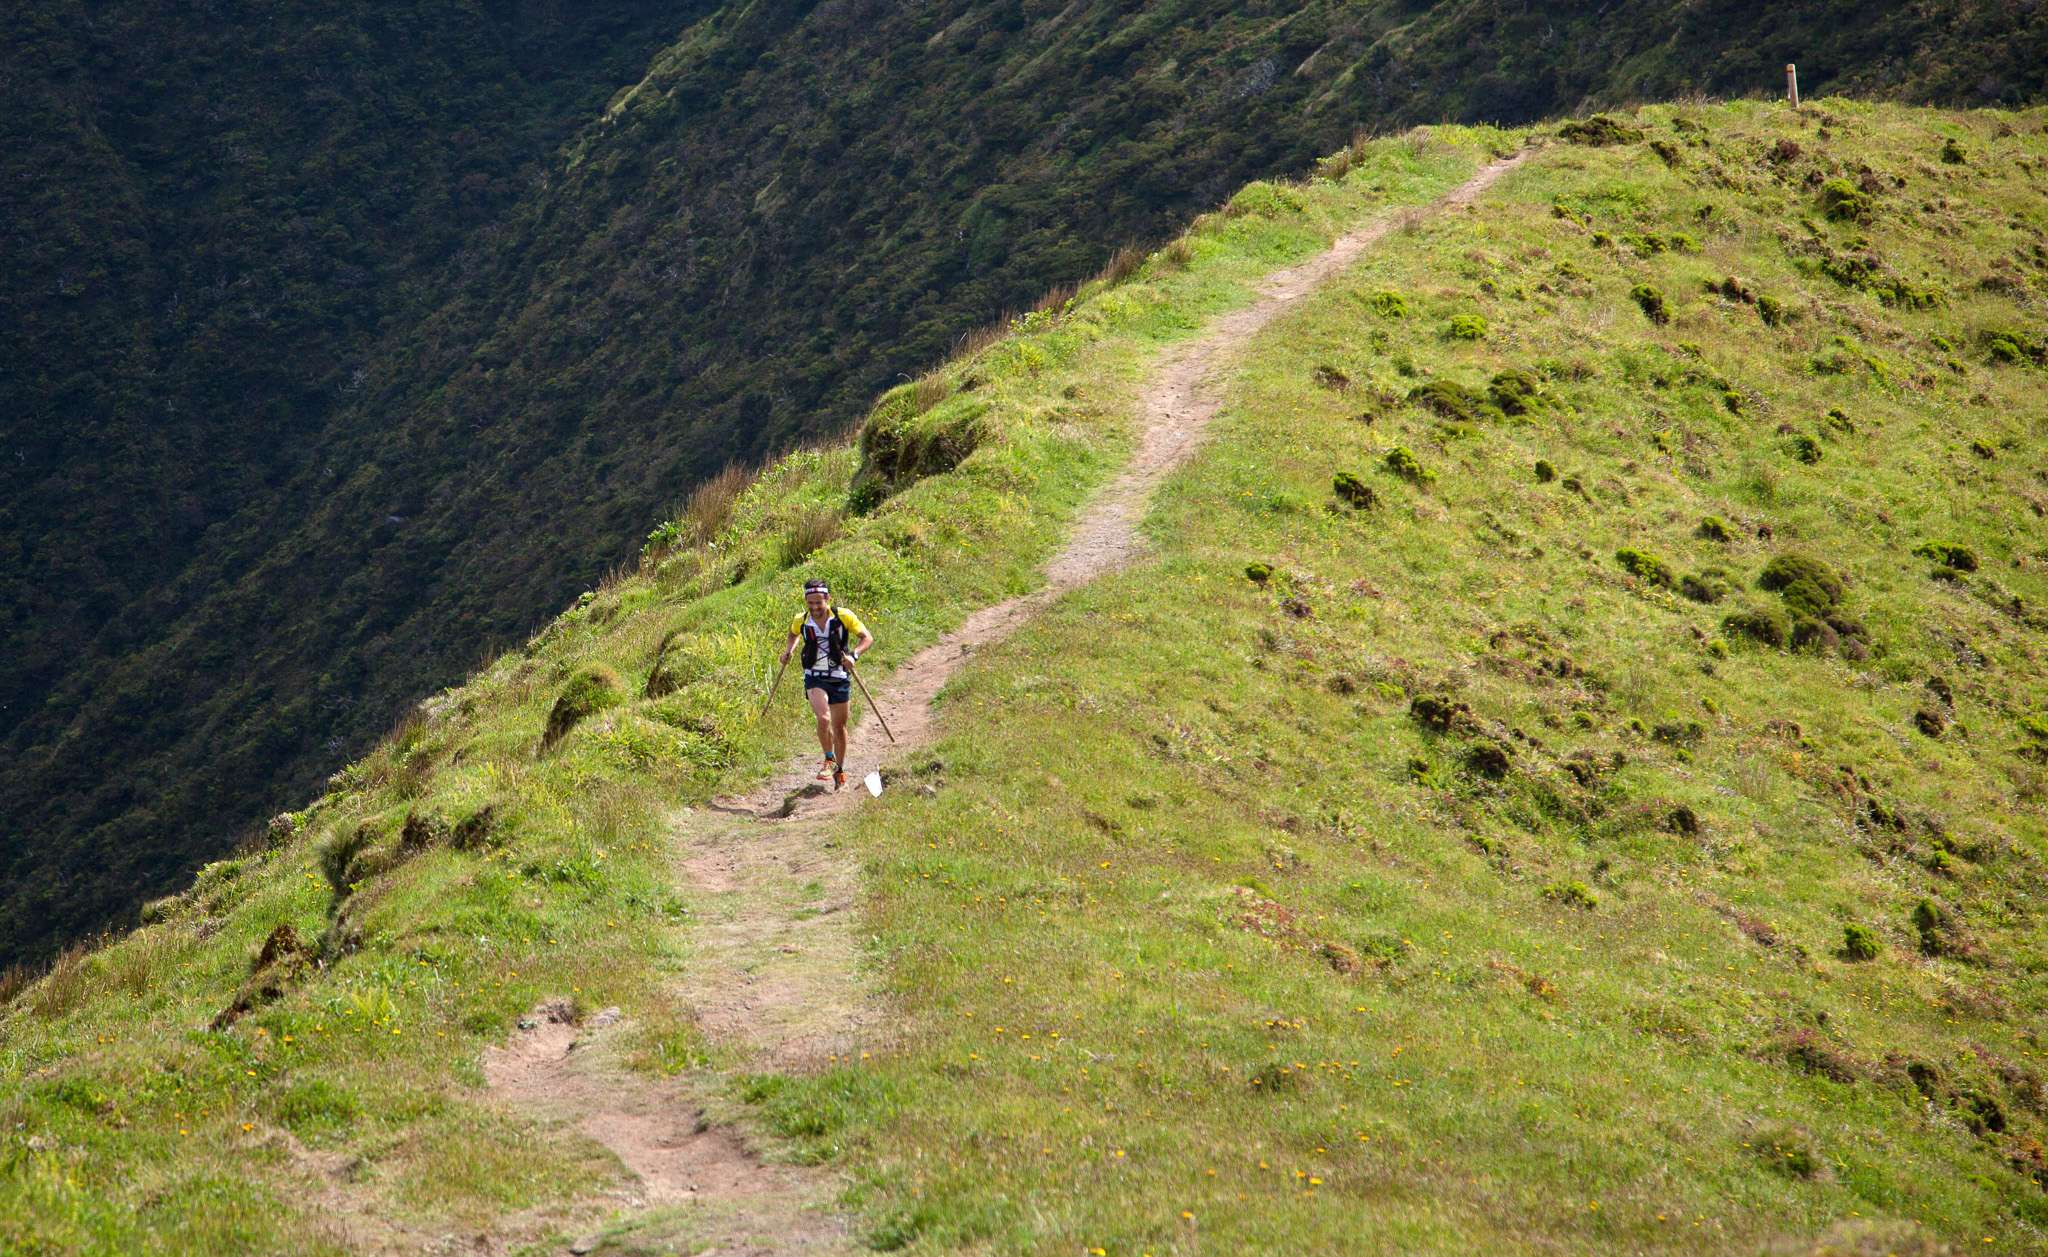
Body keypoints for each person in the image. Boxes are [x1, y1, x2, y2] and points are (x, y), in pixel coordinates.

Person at [781, 579, 873, 790]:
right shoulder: (801, 620)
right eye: (810, 603)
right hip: (814, 676)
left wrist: (854, 655)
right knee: (823, 719)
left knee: (839, 728)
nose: (814, 608)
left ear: (828, 599)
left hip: (839, 676)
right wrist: (789, 650)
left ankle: (839, 771)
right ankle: (828, 759)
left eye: (818, 603)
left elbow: (867, 637)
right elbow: (793, 634)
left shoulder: (843, 616)